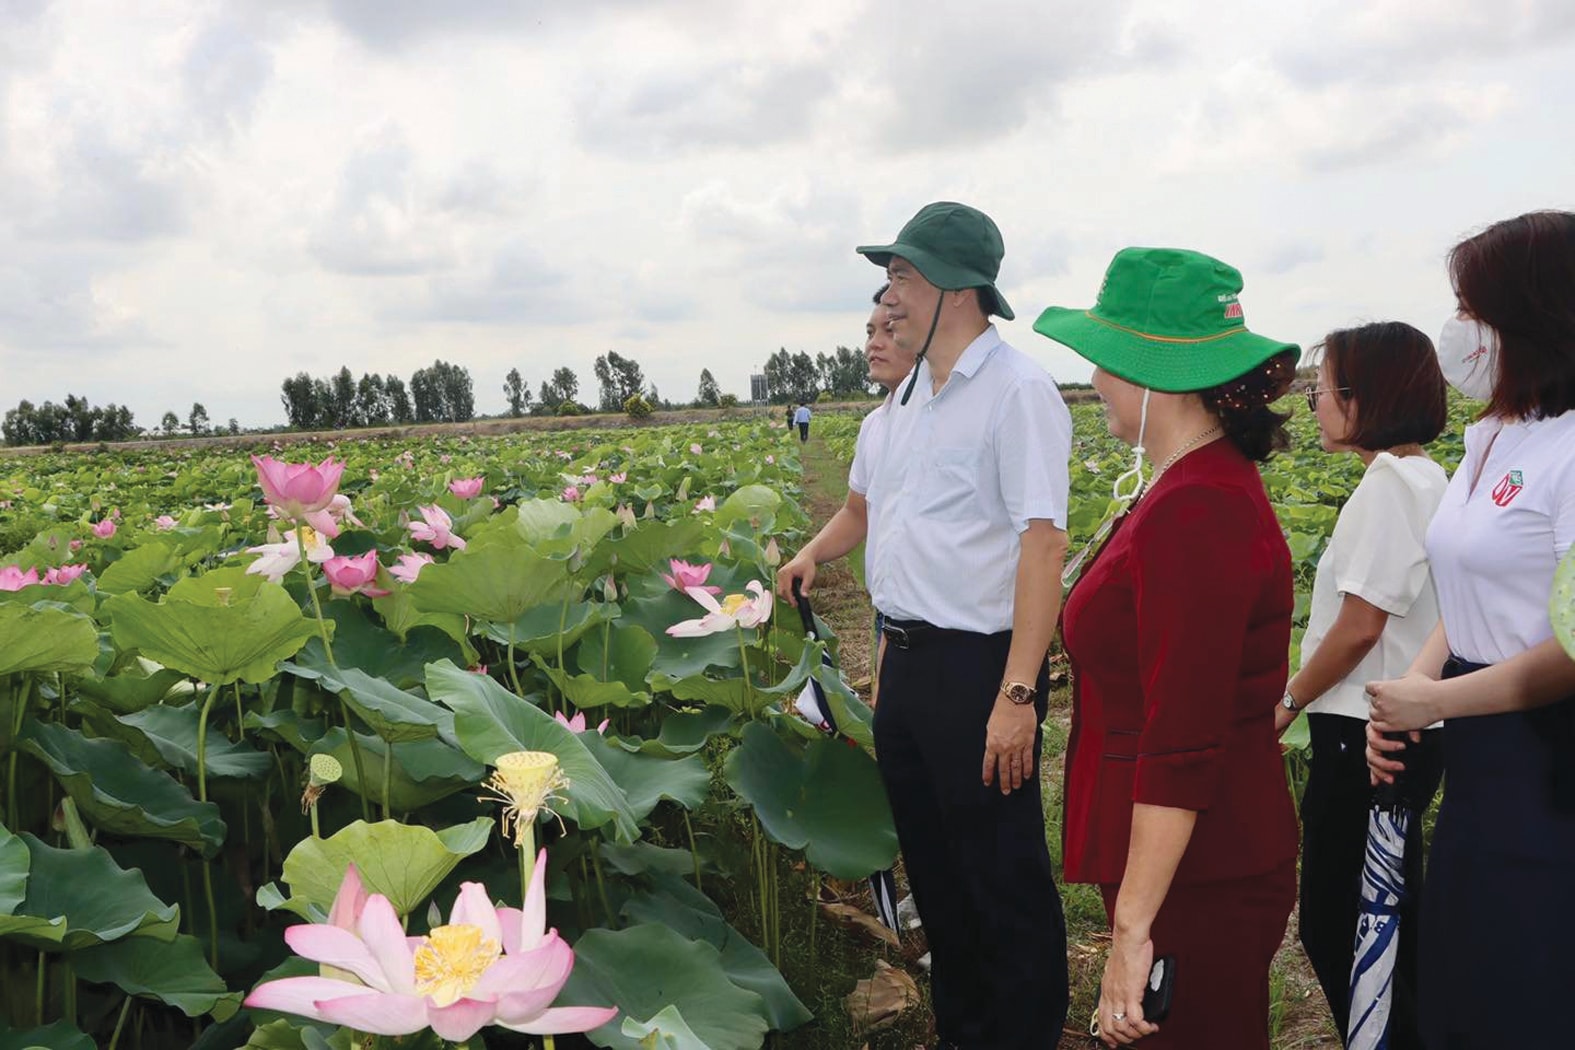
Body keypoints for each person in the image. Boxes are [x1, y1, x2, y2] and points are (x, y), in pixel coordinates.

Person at [782, 201, 1072, 1049]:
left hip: (982, 666)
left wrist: (1019, 692)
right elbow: (864, 510)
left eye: (903, 275)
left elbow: (1043, 544)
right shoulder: (901, 405)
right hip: (905, 666)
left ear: (955, 285)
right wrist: (813, 555)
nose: (889, 293)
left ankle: (1023, 1031)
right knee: (935, 866)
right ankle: (966, 1027)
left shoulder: (1017, 394)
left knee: (1000, 872)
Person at [1035, 247, 1301, 1048]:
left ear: (1153, 372)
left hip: (1198, 869)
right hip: (1184, 858)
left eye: (1104, 363)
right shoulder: (1184, 486)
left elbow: (1181, 737)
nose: (1094, 381)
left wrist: (1129, 930)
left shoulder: (1199, 509)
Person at [1365, 210, 1575, 1050]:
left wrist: (1437, 699)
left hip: (1548, 756)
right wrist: (1411, 697)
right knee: (1467, 971)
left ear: (1533, 312)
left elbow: (1570, 644)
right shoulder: (1492, 433)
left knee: (1530, 980)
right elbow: (1470, 588)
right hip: (1482, 753)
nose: (1456, 328)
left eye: (1470, 305)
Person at [1277, 322, 1448, 1048]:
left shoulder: (1386, 490)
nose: (1312, 402)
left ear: (1363, 398)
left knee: (1343, 924)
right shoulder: (1426, 476)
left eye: (1320, 388)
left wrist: (1287, 701)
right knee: (1388, 919)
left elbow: (1357, 627)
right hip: (1406, 727)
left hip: (1368, 734)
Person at [777, 286, 916, 705]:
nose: (874, 343)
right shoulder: (874, 425)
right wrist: (809, 554)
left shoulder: (944, 422)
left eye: (889, 331)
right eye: (870, 332)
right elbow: (857, 512)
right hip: (890, 617)